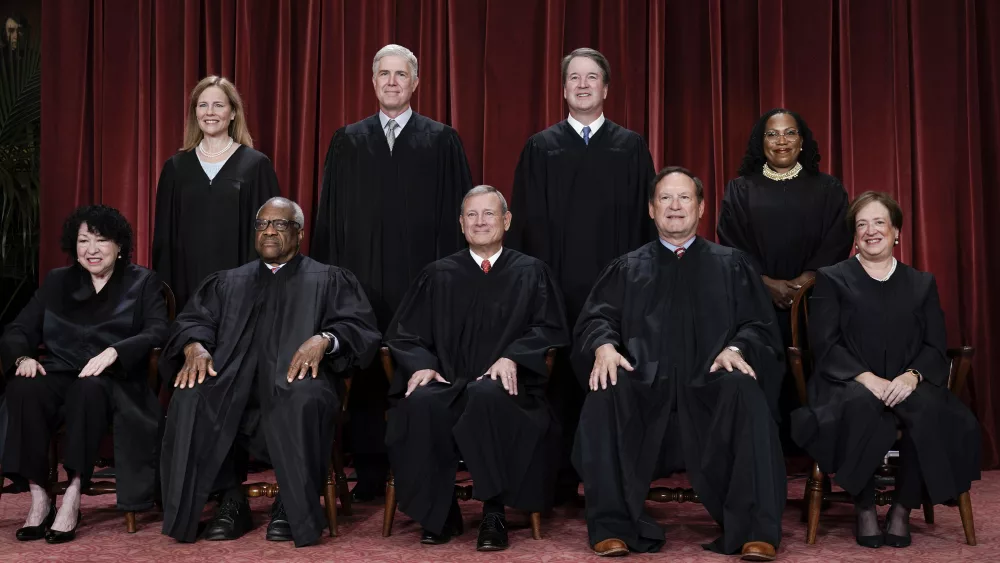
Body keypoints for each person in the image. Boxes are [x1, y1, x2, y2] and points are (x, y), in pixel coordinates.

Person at [573, 167, 786, 560]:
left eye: (684, 198)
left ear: (701, 208)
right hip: (644, 383)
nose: (675, 206)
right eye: (665, 199)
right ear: (652, 210)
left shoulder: (732, 264)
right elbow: (597, 319)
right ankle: (612, 525)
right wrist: (603, 345)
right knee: (606, 391)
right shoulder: (627, 267)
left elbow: (759, 325)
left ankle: (754, 530)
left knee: (745, 391)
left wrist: (736, 350)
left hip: (710, 382)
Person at [159, 197, 381, 547]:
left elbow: (359, 328)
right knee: (193, 396)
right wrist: (194, 346)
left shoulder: (329, 279)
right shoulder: (227, 282)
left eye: (280, 224)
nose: (269, 231)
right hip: (234, 381)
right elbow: (192, 322)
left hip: (298, 382)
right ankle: (229, 500)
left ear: (300, 232)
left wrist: (325, 339)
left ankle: (291, 506)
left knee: (303, 398)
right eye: (262, 225)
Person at [311, 43, 473, 500]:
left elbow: (461, 220)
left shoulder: (442, 140)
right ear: (373, 80)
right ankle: (368, 472)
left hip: (423, 282)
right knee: (363, 374)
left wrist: (453, 283)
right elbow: (328, 218)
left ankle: (423, 472)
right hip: (361, 283)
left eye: (401, 74)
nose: (392, 82)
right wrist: (328, 284)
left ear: (416, 83)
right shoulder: (347, 140)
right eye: (384, 73)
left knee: (421, 371)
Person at [507, 47, 656, 502]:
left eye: (593, 77)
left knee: (611, 381)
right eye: (575, 77)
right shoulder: (540, 147)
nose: (584, 84)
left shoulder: (630, 147)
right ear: (564, 88)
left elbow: (644, 223)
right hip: (556, 288)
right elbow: (526, 227)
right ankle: (553, 482)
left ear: (606, 88)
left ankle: (611, 483)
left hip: (616, 294)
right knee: (556, 385)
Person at [791, 191, 980, 549]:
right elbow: (826, 344)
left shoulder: (921, 283)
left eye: (879, 222)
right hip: (848, 380)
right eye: (861, 224)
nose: (870, 231)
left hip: (908, 381)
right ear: (854, 235)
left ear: (896, 232)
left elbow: (935, 346)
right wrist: (866, 378)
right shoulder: (833, 278)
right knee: (861, 406)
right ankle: (863, 505)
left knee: (928, 410)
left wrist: (912, 376)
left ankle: (901, 508)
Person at [385, 186, 569, 551]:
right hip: (449, 381)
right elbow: (404, 334)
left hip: (507, 389)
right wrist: (422, 365)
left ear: (506, 220)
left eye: (489, 214)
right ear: (461, 223)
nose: (480, 222)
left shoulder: (532, 273)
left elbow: (551, 329)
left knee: (488, 395)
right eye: (472, 215)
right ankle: (440, 513)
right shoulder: (437, 274)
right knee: (421, 404)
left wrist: (513, 356)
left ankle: (494, 512)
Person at [1, 205, 168, 543]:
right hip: (60, 370)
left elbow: (158, 331)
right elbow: (19, 328)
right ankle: (39, 496)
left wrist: (116, 350)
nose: (91, 250)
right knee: (23, 388)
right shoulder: (57, 281)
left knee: (87, 390)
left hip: (114, 379)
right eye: (83, 241)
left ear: (119, 246)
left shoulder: (142, 281)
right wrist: (22, 358)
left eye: (101, 240)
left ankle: (73, 493)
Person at [717, 108, 852, 449]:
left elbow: (838, 236)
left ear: (802, 141)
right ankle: (764, 446)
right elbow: (732, 243)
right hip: (756, 299)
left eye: (789, 133)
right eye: (772, 134)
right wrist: (766, 283)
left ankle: (813, 446)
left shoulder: (828, 188)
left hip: (815, 300)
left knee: (814, 366)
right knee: (763, 367)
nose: (781, 141)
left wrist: (807, 279)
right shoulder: (740, 190)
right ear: (760, 142)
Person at [153, 75, 281, 312]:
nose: (209, 112)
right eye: (203, 105)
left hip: (243, 291)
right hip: (186, 289)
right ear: (195, 113)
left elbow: (271, 235)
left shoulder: (255, 166)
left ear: (233, 113)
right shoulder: (176, 168)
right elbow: (164, 239)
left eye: (218, 105)